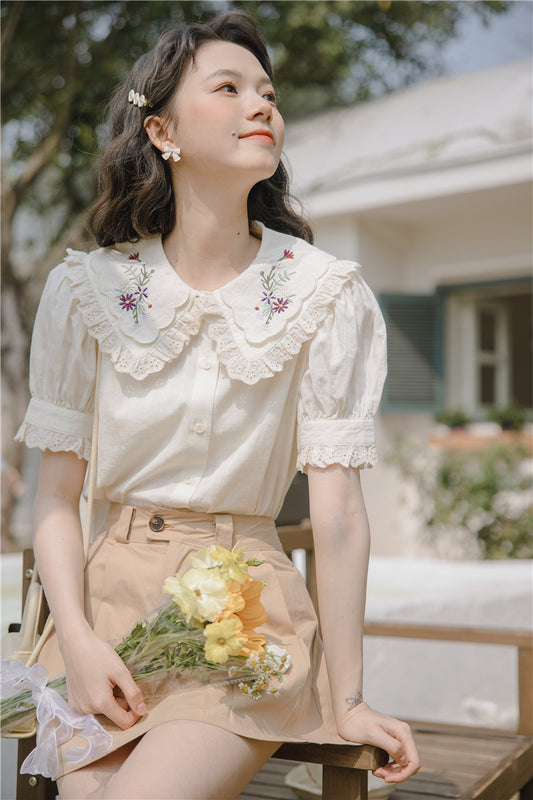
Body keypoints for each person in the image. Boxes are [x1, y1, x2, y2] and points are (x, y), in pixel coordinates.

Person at [15, 11, 420, 800]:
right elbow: (55, 501)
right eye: (228, 88)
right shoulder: (85, 290)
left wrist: (350, 698)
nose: (261, 105)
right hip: (103, 612)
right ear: (161, 129)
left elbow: (336, 515)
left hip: (242, 613)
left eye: (267, 92)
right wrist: (77, 637)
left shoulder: (320, 291)